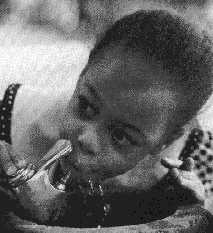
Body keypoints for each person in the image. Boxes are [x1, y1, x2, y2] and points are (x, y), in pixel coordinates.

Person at [0, 8, 212, 227]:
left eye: (120, 136)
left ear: (166, 141)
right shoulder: (15, 117)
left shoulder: (196, 167)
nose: (86, 139)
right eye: (86, 106)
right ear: (82, 75)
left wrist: (186, 218)